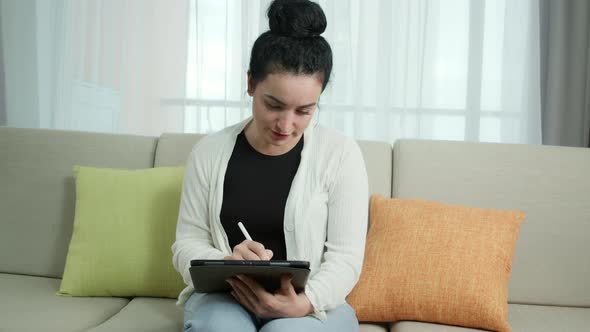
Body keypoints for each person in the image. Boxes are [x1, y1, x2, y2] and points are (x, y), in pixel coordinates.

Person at [172, 0, 369, 331]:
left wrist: (303, 303)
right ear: (251, 84)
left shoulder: (341, 154)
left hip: (313, 304)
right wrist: (227, 261)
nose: (286, 125)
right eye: (273, 105)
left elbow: (345, 259)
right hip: (226, 300)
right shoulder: (209, 152)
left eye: (304, 111)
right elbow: (186, 242)